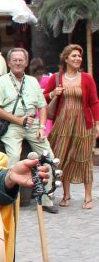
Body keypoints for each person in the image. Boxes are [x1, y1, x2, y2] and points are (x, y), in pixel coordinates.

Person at [0, 47, 58, 213]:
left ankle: (47, 198)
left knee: (49, 157)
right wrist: (18, 120)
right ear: (9, 62)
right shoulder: (1, 82)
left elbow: (42, 107)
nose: (18, 63)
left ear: (26, 62)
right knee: (13, 157)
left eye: (21, 60)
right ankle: (10, 197)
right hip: (12, 124)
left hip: (33, 125)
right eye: (15, 60)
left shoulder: (33, 81)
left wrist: (41, 127)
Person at [44, 44, 99, 210]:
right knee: (63, 158)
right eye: (74, 56)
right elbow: (44, 98)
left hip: (83, 123)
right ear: (66, 58)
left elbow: (94, 102)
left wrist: (97, 124)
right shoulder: (56, 78)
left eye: (79, 56)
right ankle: (66, 195)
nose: (77, 59)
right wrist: (54, 93)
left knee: (83, 158)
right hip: (62, 124)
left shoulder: (87, 78)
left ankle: (88, 196)